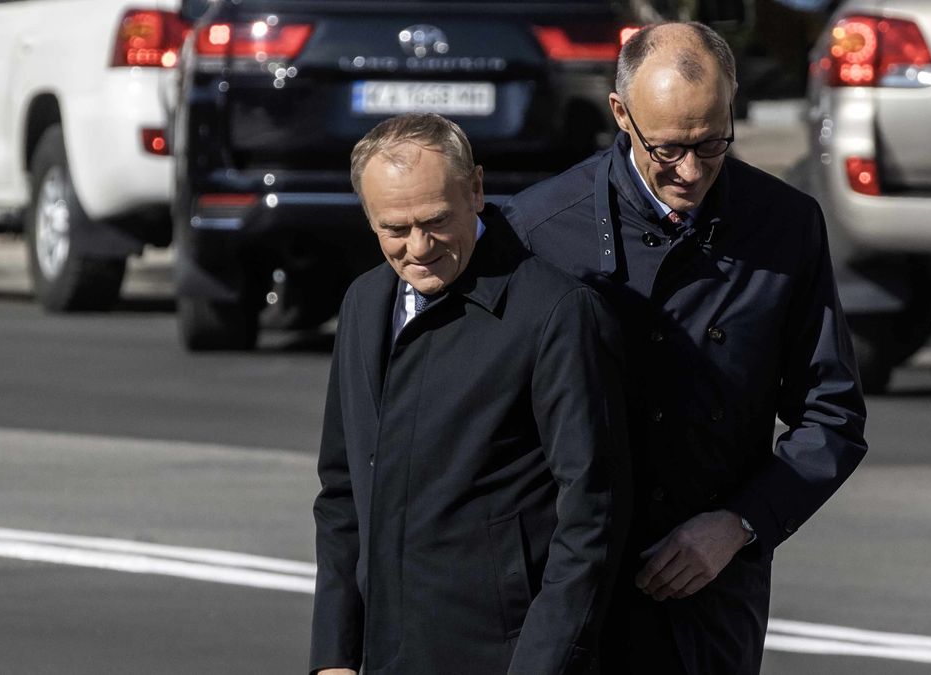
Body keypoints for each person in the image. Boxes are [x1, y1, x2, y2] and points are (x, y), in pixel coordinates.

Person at [503, 22, 868, 674]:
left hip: (710, 596)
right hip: (567, 595)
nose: (692, 171)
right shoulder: (539, 232)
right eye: (668, 149)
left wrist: (740, 524)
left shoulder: (785, 225)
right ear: (621, 115)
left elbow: (832, 415)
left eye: (712, 142)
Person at [310, 113, 630, 675]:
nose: (419, 248)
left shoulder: (554, 314)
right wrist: (334, 654)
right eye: (394, 229)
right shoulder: (363, 305)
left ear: (477, 190)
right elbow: (342, 494)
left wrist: (542, 665)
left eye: (436, 221)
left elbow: (592, 515)